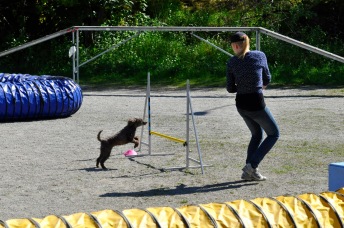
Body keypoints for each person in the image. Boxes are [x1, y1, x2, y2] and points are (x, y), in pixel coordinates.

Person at [226, 32, 280, 181]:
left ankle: (249, 173)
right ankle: (252, 166)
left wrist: (242, 86)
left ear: (235, 46)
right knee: (274, 134)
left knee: (256, 135)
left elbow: (230, 88)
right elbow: (267, 78)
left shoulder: (231, 62)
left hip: (241, 104)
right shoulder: (260, 56)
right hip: (256, 102)